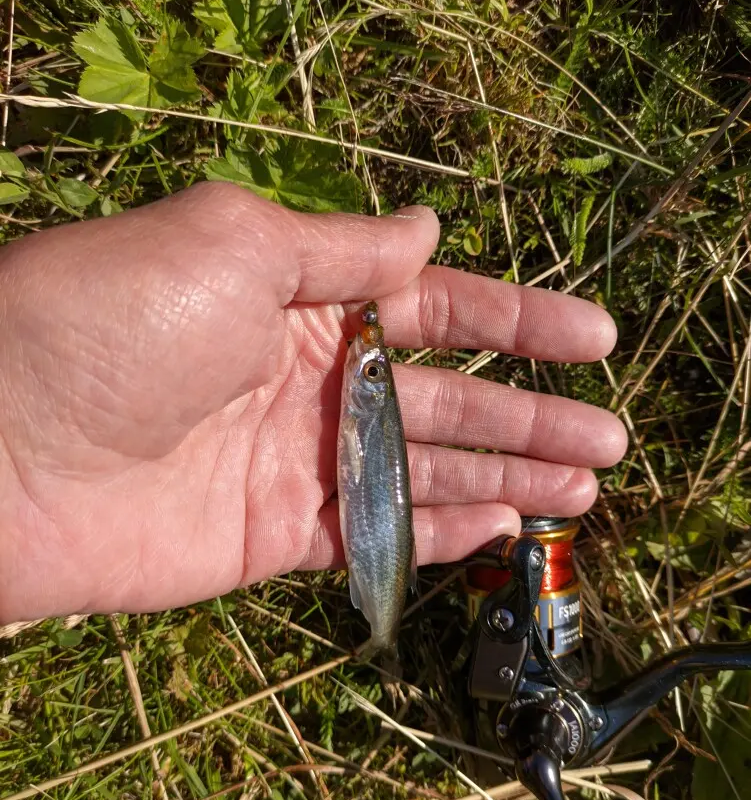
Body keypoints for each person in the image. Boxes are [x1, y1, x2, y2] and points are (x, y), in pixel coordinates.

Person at [0, 183, 626, 625]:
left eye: (372, 370)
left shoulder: (365, 398)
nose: (364, 366)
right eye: (372, 369)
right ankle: (383, 631)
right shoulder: (357, 387)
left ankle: (384, 630)